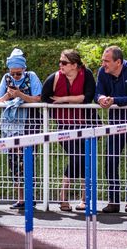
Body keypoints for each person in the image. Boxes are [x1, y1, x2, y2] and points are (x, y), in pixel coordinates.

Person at [41, 49, 96, 212]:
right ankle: (63, 196)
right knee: (77, 156)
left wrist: (64, 99)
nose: (60, 65)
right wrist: (74, 101)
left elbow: (88, 97)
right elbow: (45, 98)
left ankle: (83, 199)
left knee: (84, 158)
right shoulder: (55, 78)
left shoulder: (86, 75)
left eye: (64, 63)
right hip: (65, 125)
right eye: (60, 62)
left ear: (74, 65)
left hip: (86, 123)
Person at [94, 45, 127, 213]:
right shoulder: (102, 72)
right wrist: (101, 98)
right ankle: (113, 200)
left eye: (106, 61)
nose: (103, 64)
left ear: (118, 62)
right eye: (102, 60)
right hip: (114, 125)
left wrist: (113, 100)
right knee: (110, 160)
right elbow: (97, 92)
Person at [0, 48, 42, 209]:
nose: (15, 76)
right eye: (12, 73)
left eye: (18, 73)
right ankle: (20, 198)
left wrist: (20, 95)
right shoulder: (6, 78)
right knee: (13, 161)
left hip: (29, 124)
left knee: (28, 159)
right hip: (11, 127)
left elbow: (38, 98)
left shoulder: (32, 77)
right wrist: (9, 96)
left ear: (23, 69)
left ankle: (30, 196)